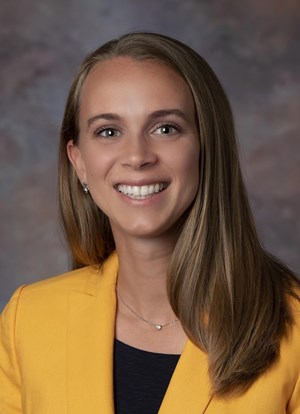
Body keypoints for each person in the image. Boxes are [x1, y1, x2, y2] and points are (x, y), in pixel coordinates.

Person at [0, 32, 299, 414]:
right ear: (79, 163)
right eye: (109, 131)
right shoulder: (29, 320)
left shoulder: (293, 330)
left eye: (165, 128)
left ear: (208, 147)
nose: (137, 157)